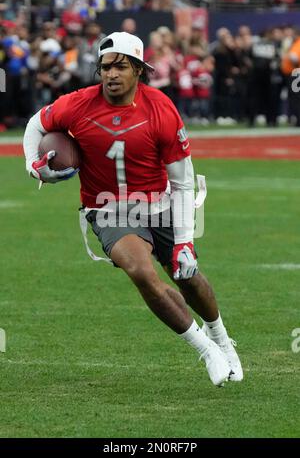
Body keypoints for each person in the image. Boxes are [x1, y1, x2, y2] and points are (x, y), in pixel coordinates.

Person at [23, 32, 243, 387]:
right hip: (107, 208)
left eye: (120, 66)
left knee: (188, 275)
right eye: (105, 67)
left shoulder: (161, 108)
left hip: (161, 202)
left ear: (139, 69)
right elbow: (37, 124)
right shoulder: (78, 103)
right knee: (140, 271)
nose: (111, 74)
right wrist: (33, 163)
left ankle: (221, 338)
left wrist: (184, 240)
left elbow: (183, 180)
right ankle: (206, 350)